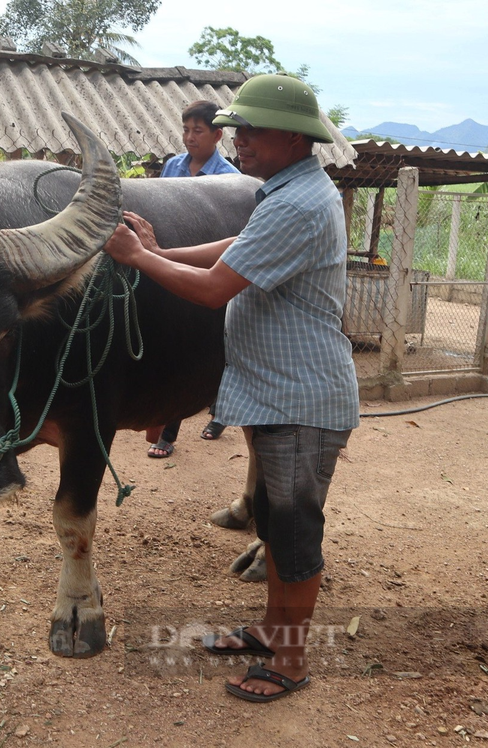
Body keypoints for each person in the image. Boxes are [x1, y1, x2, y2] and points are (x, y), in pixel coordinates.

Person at [104, 73, 358, 702]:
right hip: (278, 390)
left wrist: (138, 259)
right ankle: (272, 632)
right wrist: (165, 247)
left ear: (297, 139)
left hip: (301, 396)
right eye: (235, 129)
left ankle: (290, 662)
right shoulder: (289, 191)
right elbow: (236, 249)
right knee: (273, 518)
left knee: (294, 532)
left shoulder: (299, 203)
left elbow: (218, 288)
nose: (237, 139)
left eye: (252, 130)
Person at [147, 100, 237, 458]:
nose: (189, 137)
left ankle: (209, 418)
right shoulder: (173, 166)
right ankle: (171, 425)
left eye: (197, 131)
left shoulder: (230, 178)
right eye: (186, 130)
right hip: (168, 261)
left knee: (214, 342)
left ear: (217, 135)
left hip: (210, 268)